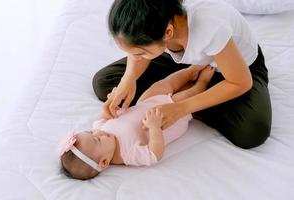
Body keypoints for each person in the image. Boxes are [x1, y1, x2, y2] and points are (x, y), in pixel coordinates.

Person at [92, 0, 272, 149]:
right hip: (187, 59)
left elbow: (240, 82)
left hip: (235, 69)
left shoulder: (210, 27)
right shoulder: (159, 21)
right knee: (105, 82)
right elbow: (136, 55)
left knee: (252, 131)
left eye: (139, 53)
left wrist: (181, 108)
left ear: (168, 32)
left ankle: (191, 93)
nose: (136, 58)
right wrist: (128, 79)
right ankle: (188, 89)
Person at [60, 66, 214, 180]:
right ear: (104, 162)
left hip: (146, 102)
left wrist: (111, 99)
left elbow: (105, 115)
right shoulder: (127, 155)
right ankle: (202, 82)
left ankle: (190, 71)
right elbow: (154, 154)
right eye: (97, 139)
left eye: (90, 132)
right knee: (189, 95)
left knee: (162, 85)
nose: (98, 132)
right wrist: (154, 128)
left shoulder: (100, 129)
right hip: (167, 116)